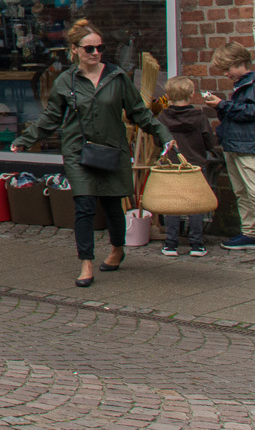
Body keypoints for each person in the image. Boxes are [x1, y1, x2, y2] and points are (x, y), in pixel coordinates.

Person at [12, 19, 175, 288]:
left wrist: (165, 137)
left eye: (99, 48)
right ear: (74, 50)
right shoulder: (66, 81)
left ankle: (117, 248)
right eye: (89, 49)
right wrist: (25, 140)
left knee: (112, 205)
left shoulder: (117, 77)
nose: (96, 53)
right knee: (84, 205)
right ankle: (86, 263)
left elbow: (139, 113)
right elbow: (51, 118)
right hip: (78, 152)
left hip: (112, 150)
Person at [202, 40, 255, 259]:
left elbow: (253, 112)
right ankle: (249, 232)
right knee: (241, 192)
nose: (226, 74)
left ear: (240, 63)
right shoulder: (244, 84)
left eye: (228, 69)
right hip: (236, 144)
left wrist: (222, 105)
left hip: (248, 146)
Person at [154, 76, 219, 257]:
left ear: (169, 95)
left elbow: (158, 139)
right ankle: (197, 244)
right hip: (196, 165)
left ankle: (171, 244)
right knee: (195, 205)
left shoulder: (163, 117)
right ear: (191, 94)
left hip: (172, 166)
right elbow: (210, 142)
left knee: (172, 205)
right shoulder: (199, 117)